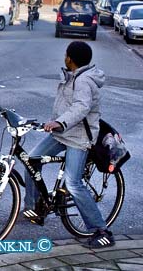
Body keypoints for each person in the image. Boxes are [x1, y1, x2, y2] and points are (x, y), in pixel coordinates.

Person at [22, 41, 114, 249]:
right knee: (31, 160)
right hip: (62, 133)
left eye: (66, 54)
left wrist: (59, 122)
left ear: (70, 58)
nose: (64, 56)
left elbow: (81, 107)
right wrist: (57, 125)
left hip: (78, 137)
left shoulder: (83, 80)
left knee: (73, 184)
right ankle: (34, 208)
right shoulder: (73, 75)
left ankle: (102, 230)